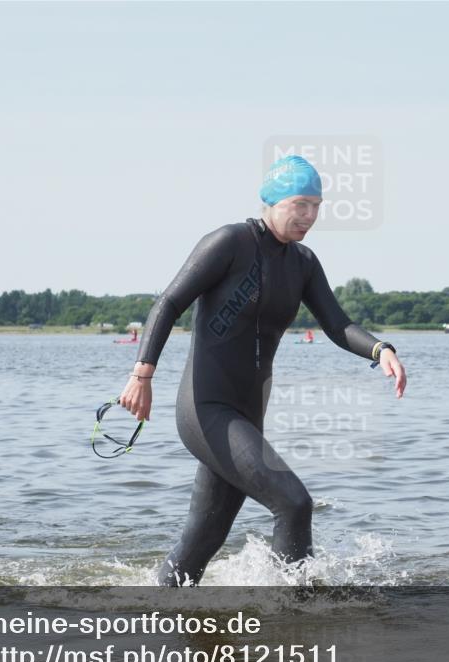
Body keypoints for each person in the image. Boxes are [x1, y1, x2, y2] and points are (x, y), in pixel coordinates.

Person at [119, 155, 407, 585]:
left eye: (316, 205)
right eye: (299, 204)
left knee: (201, 542)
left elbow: (337, 323)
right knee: (294, 503)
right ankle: (293, 616)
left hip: (247, 417)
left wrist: (380, 349)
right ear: (270, 201)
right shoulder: (229, 243)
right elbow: (169, 302)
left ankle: (158, 608)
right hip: (207, 410)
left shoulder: (303, 263)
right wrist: (142, 376)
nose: (309, 215)